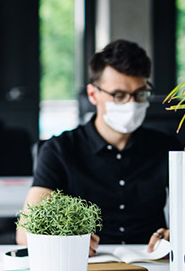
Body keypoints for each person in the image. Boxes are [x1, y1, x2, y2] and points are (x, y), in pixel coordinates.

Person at [16, 39, 182, 254]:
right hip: (86, 263)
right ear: (93, 94)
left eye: (140, 94)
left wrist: (178, 233)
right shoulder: (60, 149)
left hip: (152, 262)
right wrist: (68, 241)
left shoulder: (166, 146)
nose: (131, 104)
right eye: (119, 95)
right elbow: (25, 233)